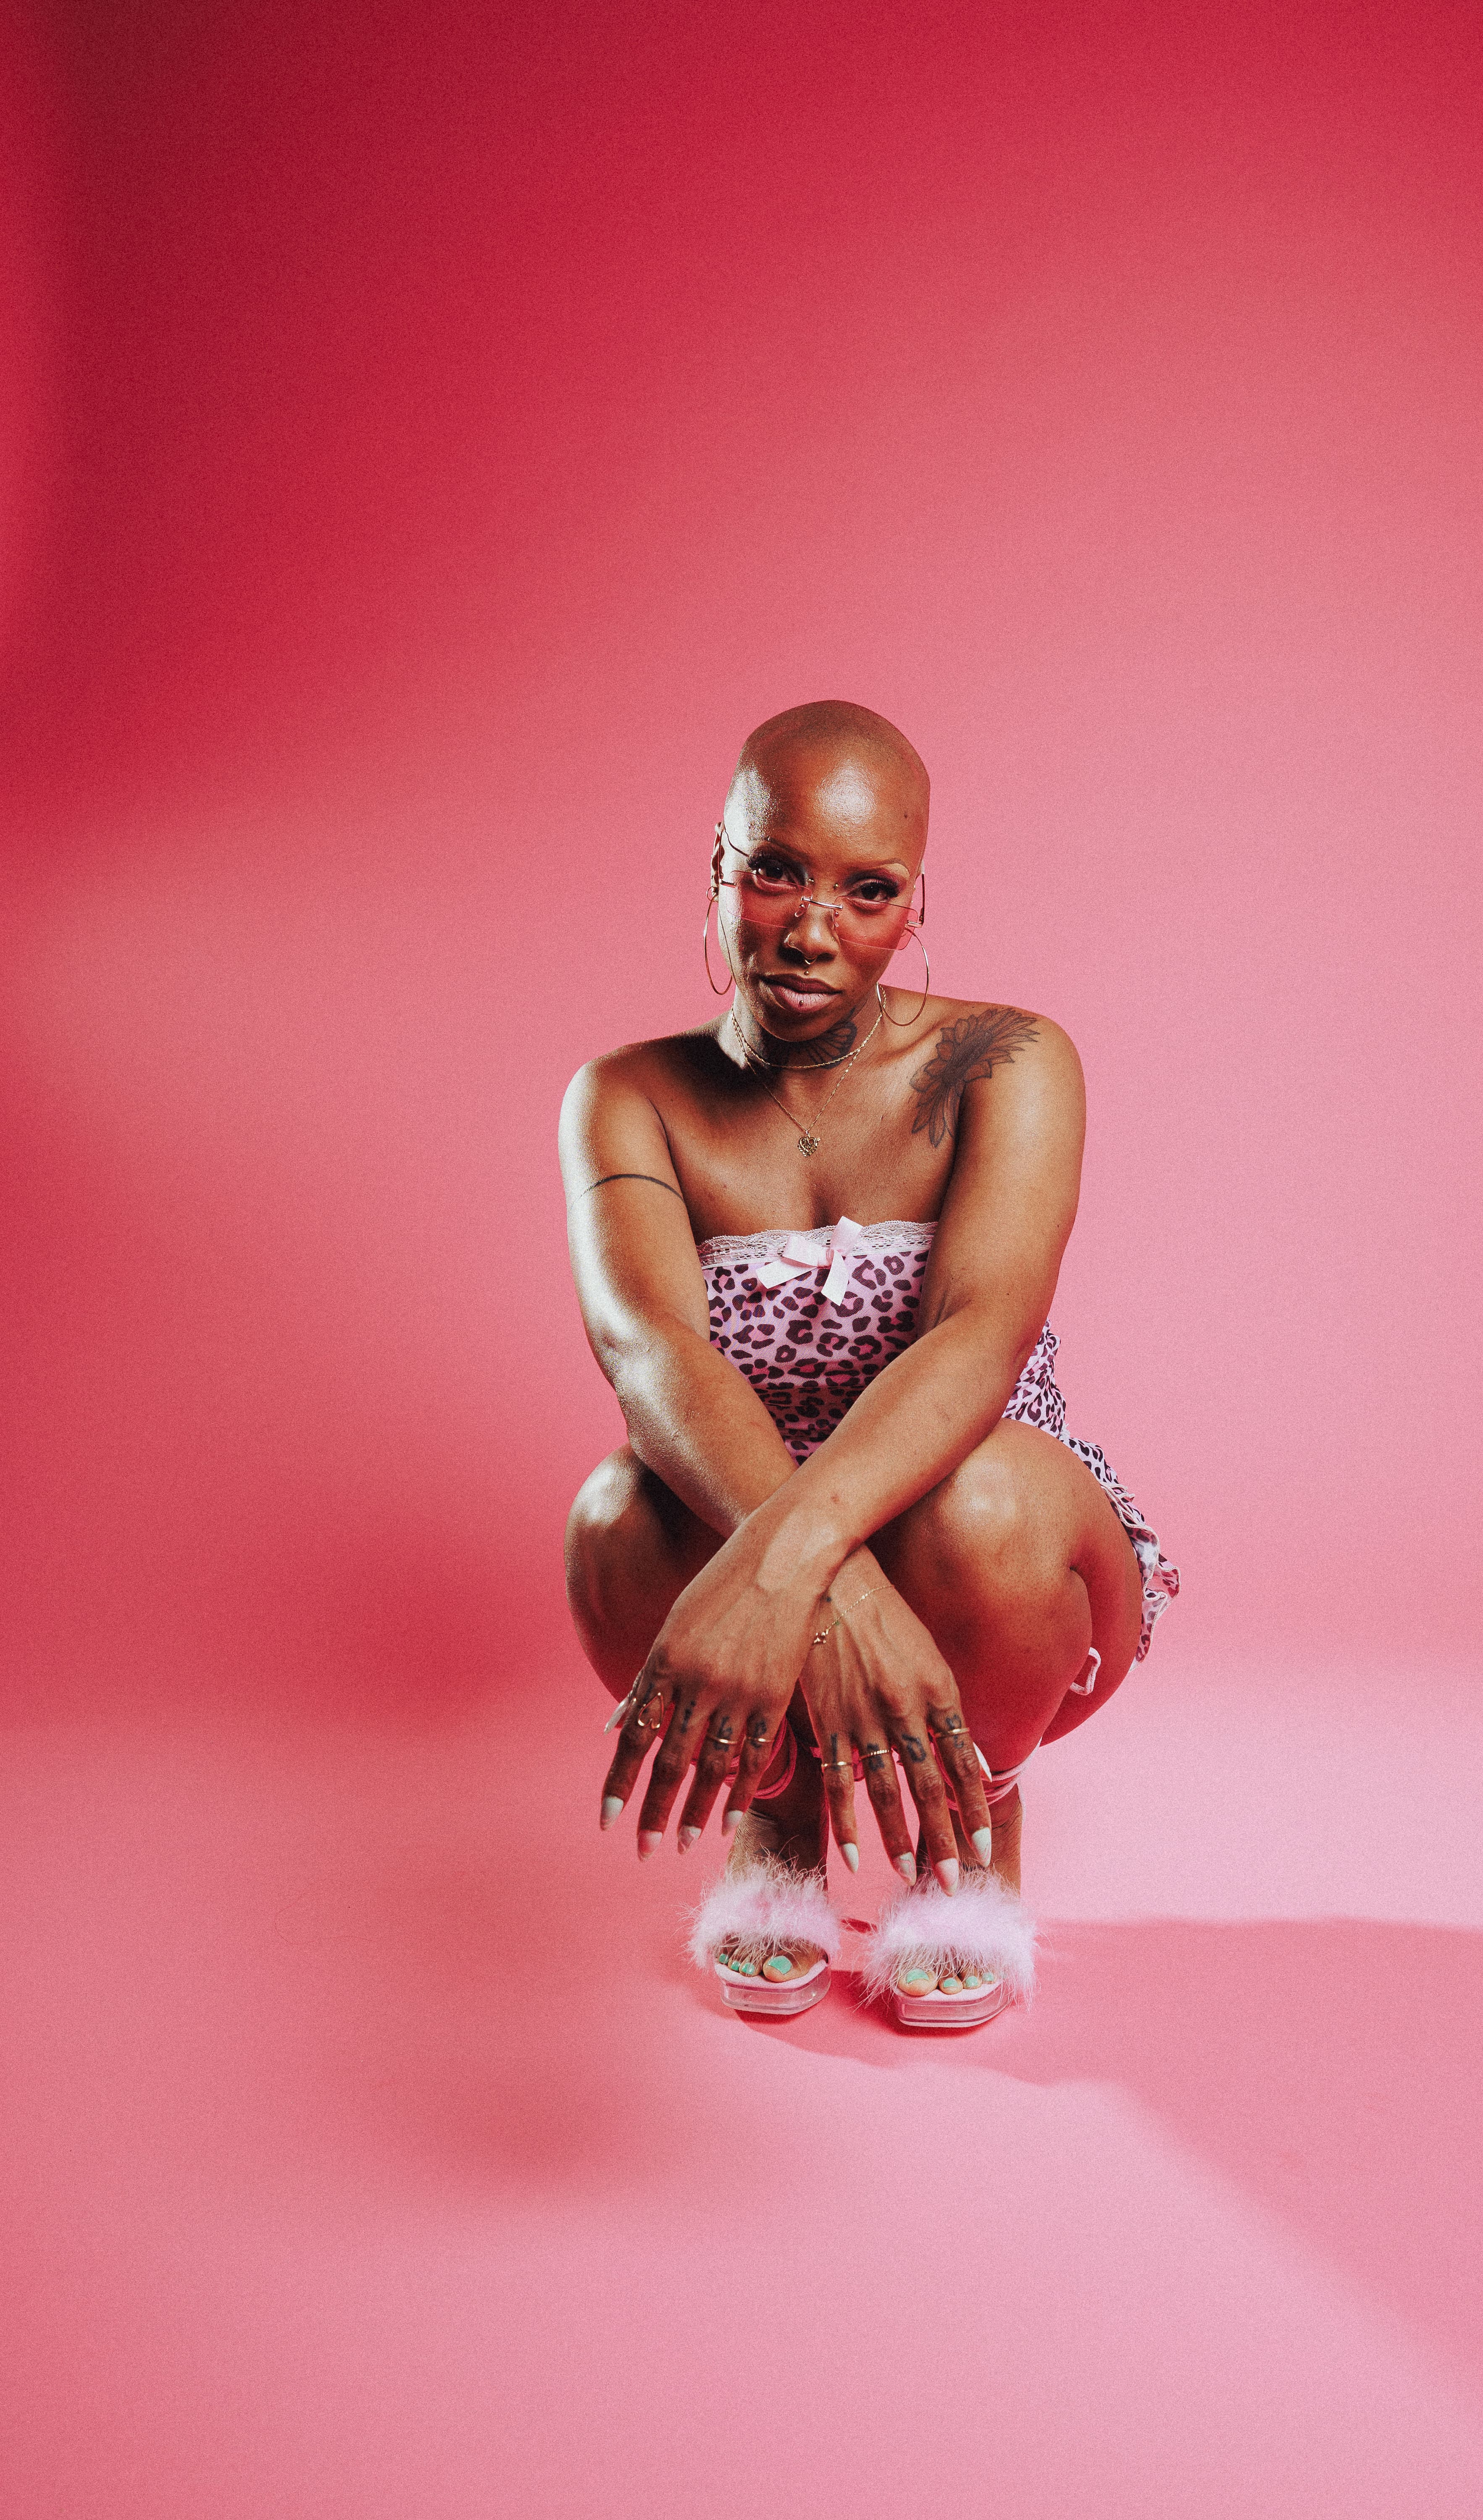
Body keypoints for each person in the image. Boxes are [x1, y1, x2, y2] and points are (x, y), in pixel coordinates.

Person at [560, 701, 1175, 2028]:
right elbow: (648, 1346)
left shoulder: (1005, 1061)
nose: (810, 928)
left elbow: (978, 1336)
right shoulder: (627, 1096)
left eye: (868, 890)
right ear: (719, 867)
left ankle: (969, 1820)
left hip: (997, 1561)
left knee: (983, 1501)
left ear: (914, 904)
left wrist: (799, 1568)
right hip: (751, 1535)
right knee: (616, 1515)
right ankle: (780, 1812)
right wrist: (831, 1591)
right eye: (775, 870)